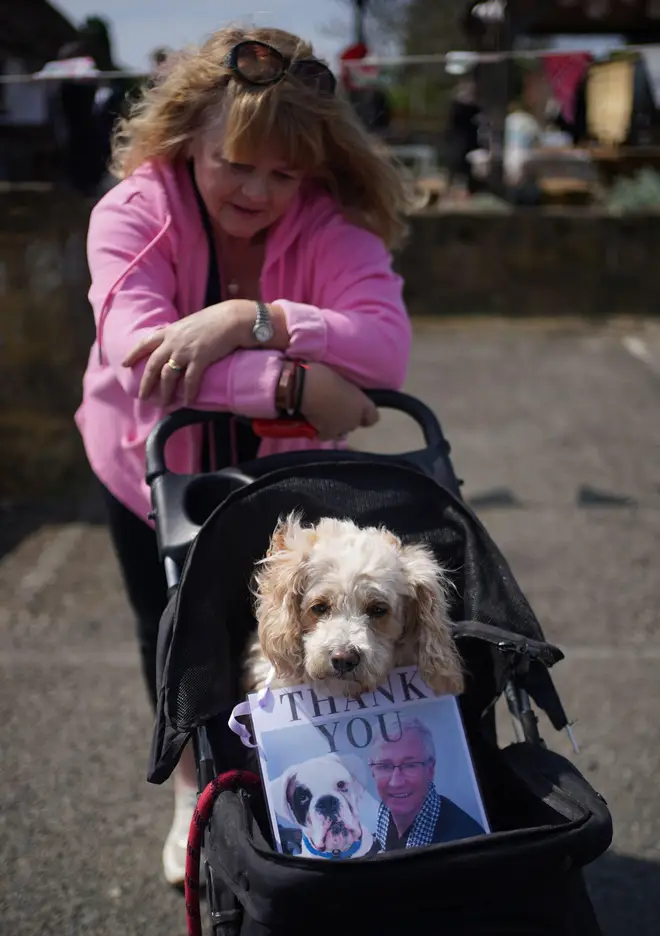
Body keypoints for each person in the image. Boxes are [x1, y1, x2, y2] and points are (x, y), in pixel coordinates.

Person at [74, 25, 413, 886]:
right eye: (236, 161)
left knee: (285, 627)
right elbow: (141, 358)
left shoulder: (329, 226)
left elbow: (386, 351)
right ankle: (191, 792)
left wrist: (247, 320)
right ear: (189, 134)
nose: (259, 189)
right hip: (143, 463)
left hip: (282, 477)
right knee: (173, 629)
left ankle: (302, 776)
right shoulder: (134, 210)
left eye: (284, 172)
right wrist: (297, 389)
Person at [368, 718, 485, 850]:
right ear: (372, 771)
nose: (396, 782)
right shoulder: (378, 825)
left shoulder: (465, 841)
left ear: (430, 769)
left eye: (410, 765)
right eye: (385, 766)